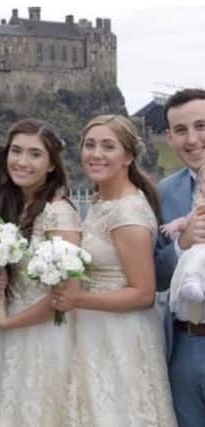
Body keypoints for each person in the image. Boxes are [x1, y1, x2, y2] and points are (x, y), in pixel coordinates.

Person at [53, 115, 177, 426]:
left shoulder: (127, 211)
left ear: (128, 156)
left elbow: (144, 294)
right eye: (90, 145)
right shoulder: (102, 201)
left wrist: (77, 299)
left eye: (108, 146)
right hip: (95, 331)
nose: (96, 154)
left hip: (120, 336)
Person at [0, 119, 81, 426]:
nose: (22, 161)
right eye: (16, 151)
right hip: (12, 334)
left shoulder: (58, 213)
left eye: (35, 154)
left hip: (44, 334)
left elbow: (65, 295)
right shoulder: (12, 207)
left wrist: (10, 322)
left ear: (51, 165)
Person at [155, 88, 205, 427]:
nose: (193, 139)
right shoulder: (161, 193)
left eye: (202, 126)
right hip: (185, 346)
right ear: (169, 137)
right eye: (181, 130)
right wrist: (181, 245)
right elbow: (154, 274)